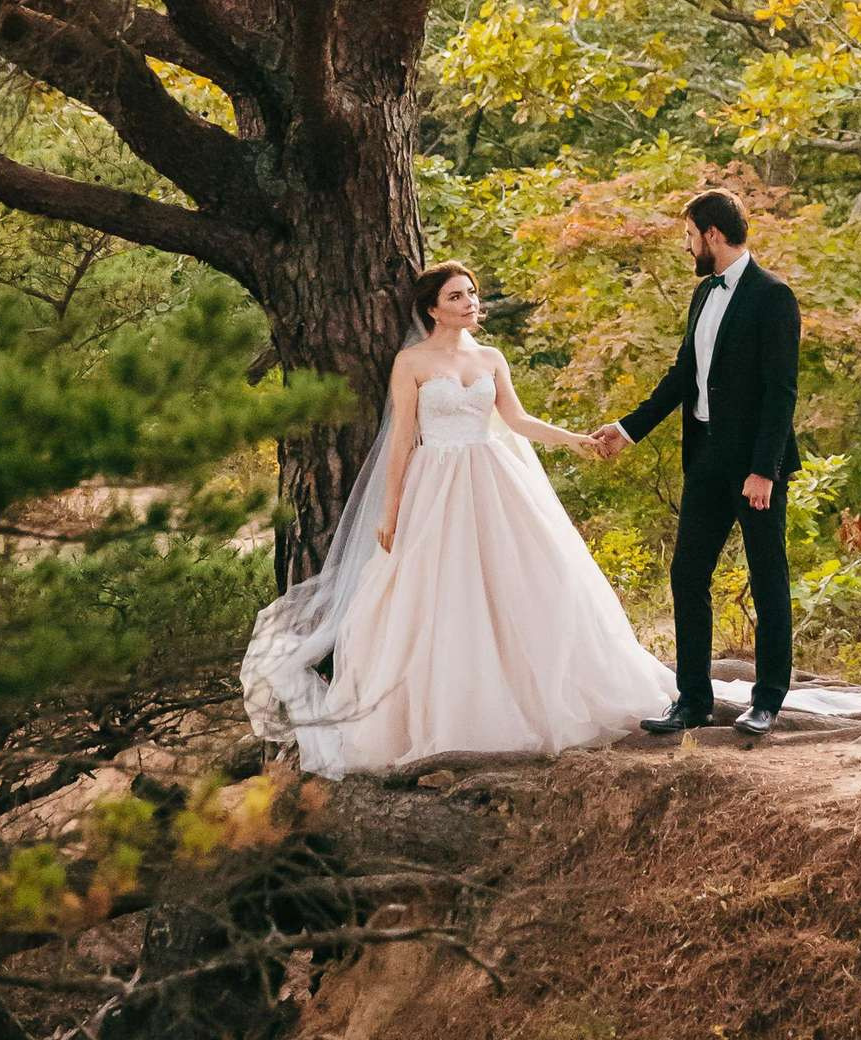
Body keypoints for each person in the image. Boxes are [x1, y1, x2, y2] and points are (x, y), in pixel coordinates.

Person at [242, 261, 671, 771]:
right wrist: (392, 508)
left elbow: (516, 419)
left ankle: (534, 692)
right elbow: (402, 439)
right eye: (455, 297)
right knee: (437, 593)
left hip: (491, 479)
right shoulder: (412, 363)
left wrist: (575, 440)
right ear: (432, 310)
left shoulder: (491, 357)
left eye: (471, 293)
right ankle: (444, 711)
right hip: (435, 485)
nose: (470, 303)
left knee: (523, 581)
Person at [593, 188, 801, 741]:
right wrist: (628, 428)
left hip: (757, 467)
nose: (687, 247)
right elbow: (683, 375)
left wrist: (765, 469)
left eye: (689, 236)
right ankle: (693, 701)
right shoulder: (703, 296)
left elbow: (782, 393)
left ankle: (767, 702)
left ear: (711, 234)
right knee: (688, 574)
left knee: (767, 578)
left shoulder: (773, 296)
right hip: (705, 458)